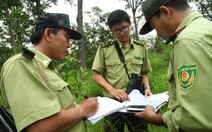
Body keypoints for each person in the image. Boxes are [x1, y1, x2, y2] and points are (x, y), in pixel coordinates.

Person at [0, 13, 99, 132]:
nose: (69, 45)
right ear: (48, 34)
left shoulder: (46, 67)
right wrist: (83, 110)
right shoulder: (21, 64)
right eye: (66, 37)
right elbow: (39, 127)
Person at [135, 0, 212, 131]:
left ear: (165, 12)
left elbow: (198, 118)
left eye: (154, 26)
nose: (157, 34)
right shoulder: (205, 27)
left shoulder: (187, 41)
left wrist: (155, 118)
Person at [92, 9, 152, 132]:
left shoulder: (140, 47)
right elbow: (96, 75)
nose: (122, 33)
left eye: (124, 28)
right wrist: (112, 90)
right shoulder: (105, 48)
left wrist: (147, 88)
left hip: (136, 101)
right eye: (117, 30)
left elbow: (144, 72)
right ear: (111, 30)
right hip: (113, 103)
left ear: (130, 24)